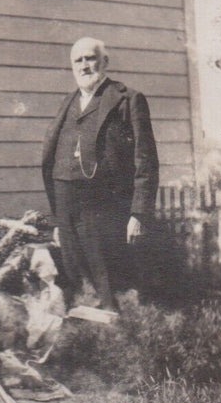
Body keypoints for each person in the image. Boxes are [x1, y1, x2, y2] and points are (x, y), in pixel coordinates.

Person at [41, 37, 159, 311]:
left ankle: (117, 326)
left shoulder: (127, 99)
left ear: (104, 62)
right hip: (66, 201)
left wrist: (138, 213)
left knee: (108, 274)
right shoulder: (67, 102)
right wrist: (57, 217)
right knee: (74, 270)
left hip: (105, 204)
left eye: (90, 58)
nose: (84, 65)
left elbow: (146, 159)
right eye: (78, 60)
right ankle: (85, 329)